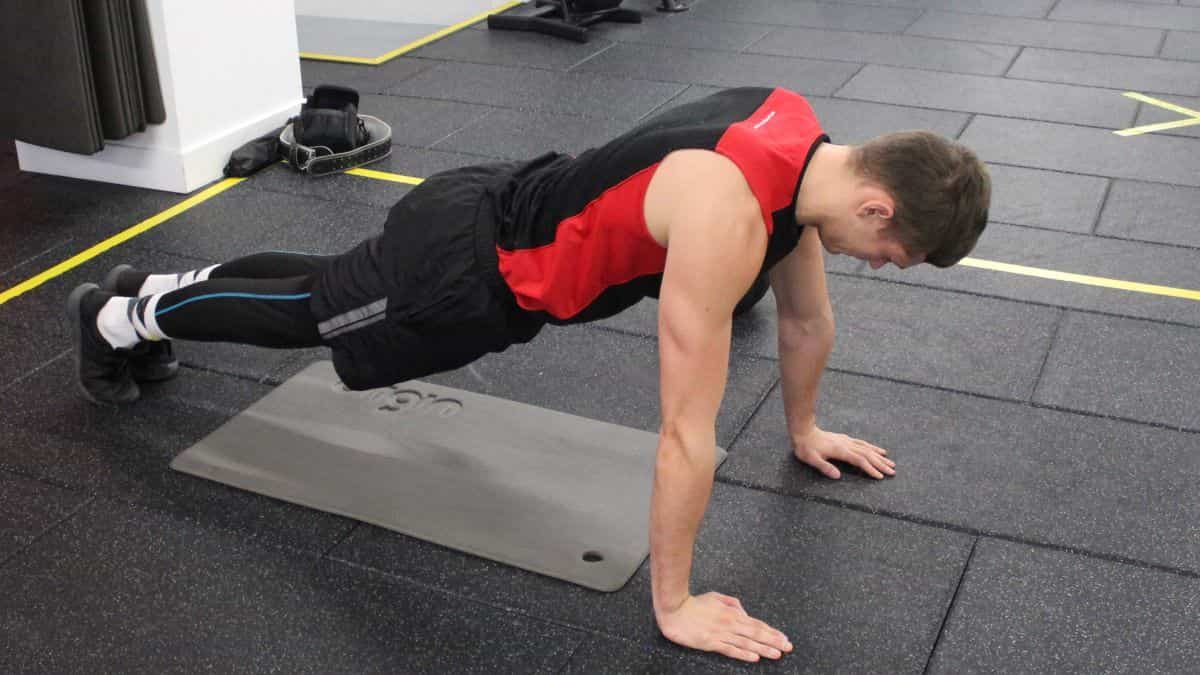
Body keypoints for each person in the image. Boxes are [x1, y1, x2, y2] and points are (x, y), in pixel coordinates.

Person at [66, 86, 990, 664]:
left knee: (328, 285)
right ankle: (120, 314)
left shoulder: (796, 134)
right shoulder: (731, 215)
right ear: (875, 203)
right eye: (892, 252)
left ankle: (151, 291)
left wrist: (803, 430)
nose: (880, 265)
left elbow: (806, 316)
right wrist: (674, 603)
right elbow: (684, 433)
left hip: (503, 199)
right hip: (472, 272)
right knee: (317, 311)